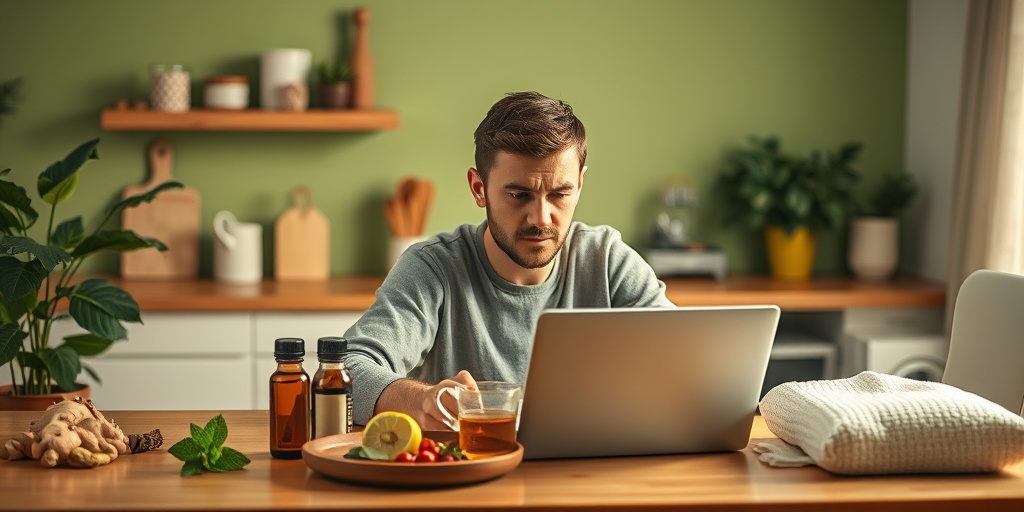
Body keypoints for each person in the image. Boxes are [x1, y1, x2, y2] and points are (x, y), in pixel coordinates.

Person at [343, 91, 674, 429]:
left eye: (560, 194)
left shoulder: (608, 262)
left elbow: (683, 360)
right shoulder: (433, 268)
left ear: (579, 185)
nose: (541, 218)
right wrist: (423, 399)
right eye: (519, 195)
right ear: (479, 188)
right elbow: (347, 368)